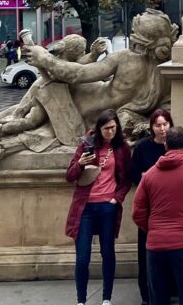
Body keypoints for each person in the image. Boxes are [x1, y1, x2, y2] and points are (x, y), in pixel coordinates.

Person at [133, 125, 183, 305]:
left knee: (159, 298)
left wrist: (153, 229)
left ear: (166, 145)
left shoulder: (149, 175)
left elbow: (137, 212)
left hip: (155, 245)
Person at [66, 109, 132, 305]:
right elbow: (70, 176)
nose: (110, 132)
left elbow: (127, 178)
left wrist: (116, 199)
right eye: (106, 129)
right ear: (99, 129)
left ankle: (106, 298)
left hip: (107, 207)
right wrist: (79, 164)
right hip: (85, 208)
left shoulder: (122, 148)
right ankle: (81, 300)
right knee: (83, 257)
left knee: (108, 253)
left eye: (113, 128)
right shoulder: (86, 145)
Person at [131, 108, 173, 305]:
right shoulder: (142, 147)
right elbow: (133, 175)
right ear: (152, 127)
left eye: (165, 124)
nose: (162, 129)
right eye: (158, 125)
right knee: (146, 255)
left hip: (171, 207)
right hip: (149, 208)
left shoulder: (174, 146)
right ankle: (147, 296)